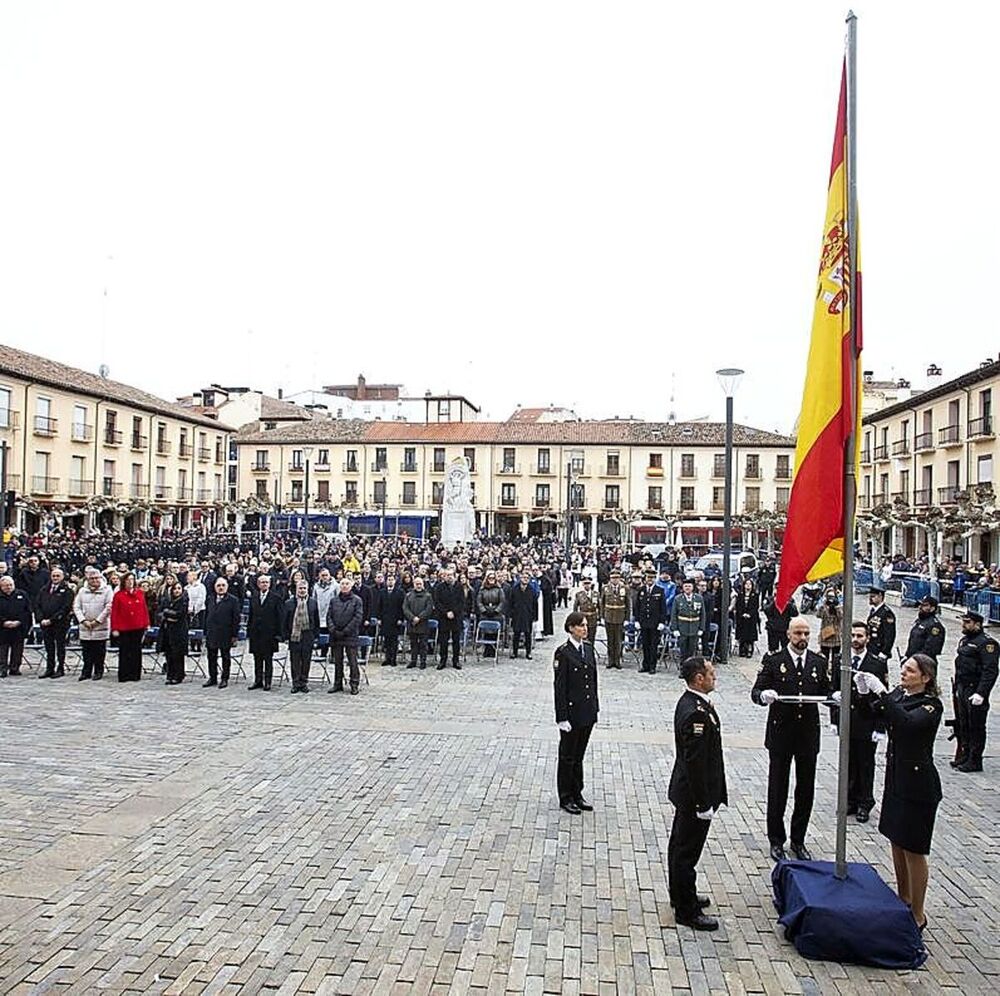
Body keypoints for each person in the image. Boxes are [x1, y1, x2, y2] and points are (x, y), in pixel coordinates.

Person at [856, 653, 943, 932]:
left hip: (918, 784)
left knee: (914, 848)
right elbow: (874, 714)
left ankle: (918, 913)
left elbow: (907, 724)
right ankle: (903, 896)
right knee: (896, 839)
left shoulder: (930, 705)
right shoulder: (901, 696)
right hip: (897, 779)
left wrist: (883, 693)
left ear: (925, 677)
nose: (903, 674)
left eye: (910, 670)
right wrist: (865, 694)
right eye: (903, 669)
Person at [750, 616, 831, 861]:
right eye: (798, 633)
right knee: (778, 788)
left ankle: (798, 840)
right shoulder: (774, 661)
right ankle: (776, 840)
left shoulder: (818, 662)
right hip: (782, 733)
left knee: (805, 790)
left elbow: (826, 690)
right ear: (788, 634)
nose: (802, 638)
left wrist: (835, 697)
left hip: (807, 733)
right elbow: (756, 691)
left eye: (806, 633)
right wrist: (764, 695)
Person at [667, 656, 727, 931]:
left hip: (688, 793)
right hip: (693, 796)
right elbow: (696, 762)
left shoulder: (694, 702)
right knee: (686, 852)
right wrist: (703, 801)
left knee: (679, 845)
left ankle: (681, 894)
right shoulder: (696, 713)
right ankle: (686, 910)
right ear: (698, 679)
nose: (715, 677)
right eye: (711, 673)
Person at [830, 621, 888, 822]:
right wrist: (834, 719)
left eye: (860, 636)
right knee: (848, 762)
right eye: (853, 636)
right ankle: (849, 800)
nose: (856, 640)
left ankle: (865, 802)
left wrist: (880, 727)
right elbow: (833, 689)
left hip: (867, 720)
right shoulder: (840, 659)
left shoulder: (876, 664)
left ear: (867, 638)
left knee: (865, 763)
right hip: (848, 720)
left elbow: (882, 697)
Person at [553, 611, 599, 815]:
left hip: (586, 711)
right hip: (571, 713)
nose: (585, 628)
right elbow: (560, 687)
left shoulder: (588, 649)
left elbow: (593, 681)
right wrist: (561, 717)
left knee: (579, 755)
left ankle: (577, 793)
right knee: (567, 756)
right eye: (581, 625)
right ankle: (565, 796)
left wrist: (594, 707)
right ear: (571, 628)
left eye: (586, 625)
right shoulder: (563, 652)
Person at [950, 609, 998, 772]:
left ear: (977, 624)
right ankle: (966, 754)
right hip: (963, 687)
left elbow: (990, 670)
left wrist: (982, 693)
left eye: (967, 622)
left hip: (975, 688)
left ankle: (975, 759)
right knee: (964, 723)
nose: (963, 625)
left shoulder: (987, 643)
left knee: (976, 725)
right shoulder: (965, 640)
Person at [73, 568, 113, 681]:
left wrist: (97, 621)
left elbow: (108, 607)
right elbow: (76, 606)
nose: (95, 580)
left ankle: (98, 671)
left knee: (99, 651)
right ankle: (86, 671)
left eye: (97, 578)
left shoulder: (107, 590)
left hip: (100, 625)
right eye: (92, 578)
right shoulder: (82, 591)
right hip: (85, 625)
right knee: (86, 650)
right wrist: (83, 620)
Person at [328, 576, 364, 694]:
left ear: (351, 585)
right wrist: (333, 629)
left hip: (350, 635)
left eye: (347, 584)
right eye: (342, 584)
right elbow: (329, 616)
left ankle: (354, 683)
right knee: (337, 660)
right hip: (336, 635)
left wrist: (345, 631)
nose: (344, 586)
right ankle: (337, 683)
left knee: (352, 660)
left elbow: (357, 617)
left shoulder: (357, 600)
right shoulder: (334, 600)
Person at [203, 577, 241, 689]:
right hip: (212, 632)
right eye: (218, 585)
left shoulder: (233, 600)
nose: (221, 588)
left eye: (223, 585)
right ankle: (212, 677)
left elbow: (236, 618)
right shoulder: (210, 598)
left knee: (225, 657)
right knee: (211, 656)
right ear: (215, 587)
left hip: (226, 632)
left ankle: (225, 678)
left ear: (227, 587)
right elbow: (207, 615)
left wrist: (234, 635)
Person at [36, 566, 74, 679]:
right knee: (49, 647)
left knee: (60, 646)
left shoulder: (67, 591)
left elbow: (65, 608)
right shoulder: (44, 589)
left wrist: (52, 620)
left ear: (62, 577)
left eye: (58, 576)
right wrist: (41, 619)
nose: (55, 578)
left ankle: (60, 668)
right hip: (45, 623)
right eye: (53, 576)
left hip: (60, 623)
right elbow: (37, 605)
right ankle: (49, 668)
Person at [111, 572, 150, 682]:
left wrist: (147, 623)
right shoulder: (119, 595)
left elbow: (144, 609)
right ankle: (124, 674)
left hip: (138, 626)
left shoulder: (140, 594)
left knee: (136, 651)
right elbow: (114, 613)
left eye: (132, 579)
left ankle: (135, 674)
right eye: (128, 579)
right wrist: (114, 628)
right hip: (124, 627)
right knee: (124, 651)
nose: (130, 582)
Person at [247, 574, 284, 691]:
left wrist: (279, 634)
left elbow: (280, 617)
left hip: (269, 634)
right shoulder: (254, 597)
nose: (264, 584)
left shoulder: (276, 598)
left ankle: (268, 681)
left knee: (268, 659)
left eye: (266, 582)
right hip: (256, 634)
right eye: (262, 582)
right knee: (257, 659)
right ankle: (258, 680)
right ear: (258, 584)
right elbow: (251, 615)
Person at [283, 578, 319, 693]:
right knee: (295, 660)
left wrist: (315, 636)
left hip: (308, 634)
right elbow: (285, 621)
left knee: (306, 660)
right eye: (300, 588)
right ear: (296, 589)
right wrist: (285, 636)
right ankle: (295, 683)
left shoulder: (313, 602)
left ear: (308, 589)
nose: (302, 590)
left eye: (304, 588)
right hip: (294, 635)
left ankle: (304, 682)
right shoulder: (289, 603)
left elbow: (316, 620)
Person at [633, 571, 666, 673]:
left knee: (653, 645)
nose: (649, 580)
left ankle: (652, 666)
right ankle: (645, 665)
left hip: (654, 623)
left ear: (654, 579)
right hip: (644, 622)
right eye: (648, 578)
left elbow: (663, 608)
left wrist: (662, 621)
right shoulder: (642, 590)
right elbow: (637, 606)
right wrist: (637, 620)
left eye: (651, 578)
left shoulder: (659, 590)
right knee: (645, 644)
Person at [433, 567, 464, 670]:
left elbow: (461, 602)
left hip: (456, 617)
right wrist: (446, 612)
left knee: (456, 640)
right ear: (444, 576)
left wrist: (453, 612)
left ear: (454, 576)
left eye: (451, 575)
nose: (449, 577)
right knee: (443, 640)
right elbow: (437, 602)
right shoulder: (439, 587)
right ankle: (443, 660)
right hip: (443, 617)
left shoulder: (459, 587)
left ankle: (456, 660)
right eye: (447, 575)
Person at [0, 575, 32, 677]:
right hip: (2, 628)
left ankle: (15, 668)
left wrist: (19, 622)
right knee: (2, 650)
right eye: (6, 586)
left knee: (17, 649)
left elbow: (27, 611)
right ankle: (2, 668)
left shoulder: (22, 594)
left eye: (10, 585)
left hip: (19, 627)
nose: (8, 587)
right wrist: (4, 622)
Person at [670, 578, 706, 665]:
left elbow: (703, 614)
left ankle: (691, 670)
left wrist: (701, 628)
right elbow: (674, 614)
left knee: (692, 651)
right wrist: (675, 629)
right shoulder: (678, 599)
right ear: (682, 587)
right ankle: (683, 669)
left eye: (689, 586)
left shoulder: (699, 598)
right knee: (683, 652)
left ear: (693, 587)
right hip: (682, 628)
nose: (687, 588)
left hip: (694, 628)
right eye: (685, 586)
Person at [160, 581, 189, 685]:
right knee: (169, 654)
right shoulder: (167, 600)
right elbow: (161, 612)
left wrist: (168, 613)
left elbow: (179, 615)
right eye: (175, 589)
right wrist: (168, 614)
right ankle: (170, 674)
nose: (177, 591)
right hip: (168, 631)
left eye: (179, 588)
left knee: (178, 654)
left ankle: (178, 675)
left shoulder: (184, 600)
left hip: (179, 631)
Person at [600, 567, 629, 669]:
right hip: (609, 616)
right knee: (610, 639)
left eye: (617, 578)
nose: (615, 580)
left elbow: (628, 604)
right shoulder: (605, 588)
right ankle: (610, 660)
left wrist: (627, 619)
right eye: (613, 578)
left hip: (620, 617)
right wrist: (602, 616)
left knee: (618, 640)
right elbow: (602, 603)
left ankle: (617, 660)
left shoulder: (625, 588)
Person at [403, 576, 434, 669]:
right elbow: (405, 608)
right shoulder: (408, 595)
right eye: (417, 584)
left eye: (420, 584)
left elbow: (428, 609)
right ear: (414, 585)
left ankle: (423, 661)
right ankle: (413, 660)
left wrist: (419, 618)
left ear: (423, 585)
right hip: (412, 623)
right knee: (413, 643)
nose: (418, 586)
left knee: (423, 644)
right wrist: (412, 618)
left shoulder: (428, 596)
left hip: (423, 623)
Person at [904, 595, 946, 663]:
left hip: (924, 662)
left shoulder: (935, 625)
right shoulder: (920, 621)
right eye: (920, 605)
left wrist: (915, 660)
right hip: (913, 660)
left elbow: (931, 649)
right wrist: (907, 656)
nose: (920, 607)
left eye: (924, 605)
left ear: (932, 608)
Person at [376, 574, 406, 667]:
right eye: (388, 579)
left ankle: (393, 659)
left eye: (392, 580)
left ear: (395, 581)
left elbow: (402, 606)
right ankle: (387, 658)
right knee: (386, 641)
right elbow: (379, 606)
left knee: (394, 641)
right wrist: (379, 618)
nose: (390, 581)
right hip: (385, 620)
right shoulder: (382, 592)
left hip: (395, 620)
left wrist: (401, 618)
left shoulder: (400, 592)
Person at [476, 571, 505, 659]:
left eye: (493, 578)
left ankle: (493, 650)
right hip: (485, 613)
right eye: (490, 578)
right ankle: (486, 650)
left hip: (496, 614)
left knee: (494, 632)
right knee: (486, 632)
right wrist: (484, 610)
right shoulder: (482, 589)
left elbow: (502, 602)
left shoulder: (499, 589)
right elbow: (479, 601)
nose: (491, 580)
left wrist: (496, 611)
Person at [509, 575, 539, 659]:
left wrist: (535, 616)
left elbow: (535, 604)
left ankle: (528, 652)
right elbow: (511, 602)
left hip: (528, 615)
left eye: (527, 578)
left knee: (528, 634)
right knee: (516, 634)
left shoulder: (532, 590)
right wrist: (511, 614)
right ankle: (515, 652)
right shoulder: (515, 589)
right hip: (517, 615)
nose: (525, 579)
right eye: (523, 577)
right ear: (520, 579)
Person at [866, 584, 897, 663]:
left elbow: (890, 635)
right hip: (871, 647)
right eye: (870, 596)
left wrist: (884, 652)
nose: (870, 599)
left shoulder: (887, 613)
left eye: (873, 596)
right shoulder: (873, 611)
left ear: (880, 596)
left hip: (879, 649)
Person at [733, 579, 760, 658]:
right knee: (742, 633)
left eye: (749, 584)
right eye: (746, 584)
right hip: (741, 618)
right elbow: (738, 606)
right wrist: (742, 614)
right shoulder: (740, 595)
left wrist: (749, 614)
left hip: (751, 618)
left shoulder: (755, 595)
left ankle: (749, 648)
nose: (748, 586)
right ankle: (742, 648)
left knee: (750, 633)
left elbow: (755, 607)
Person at [815, 588, 843, 666]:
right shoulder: (823, 606)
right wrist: (823, 605)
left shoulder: (838, 605)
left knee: (835, 658)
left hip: (836, 634)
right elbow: (818, 615)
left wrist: (836, 606)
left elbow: (841, 616)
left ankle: (834, 672)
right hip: (826, 634)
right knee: (824, 657)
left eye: (832, 596)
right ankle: (824, 671)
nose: (831, 599)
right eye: (829, 596)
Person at [572, 578, 600, 648]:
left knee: (592, 637)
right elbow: (575, 607)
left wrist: (599, 617)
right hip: (583, 618)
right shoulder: (579, 595)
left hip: (593, 618)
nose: (587, 585)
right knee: (583, 637)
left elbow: (600, 607)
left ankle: (591, 653)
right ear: (583, 584)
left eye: (588, 584)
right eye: (585, 584)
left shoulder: (596, 594)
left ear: (591, 584)